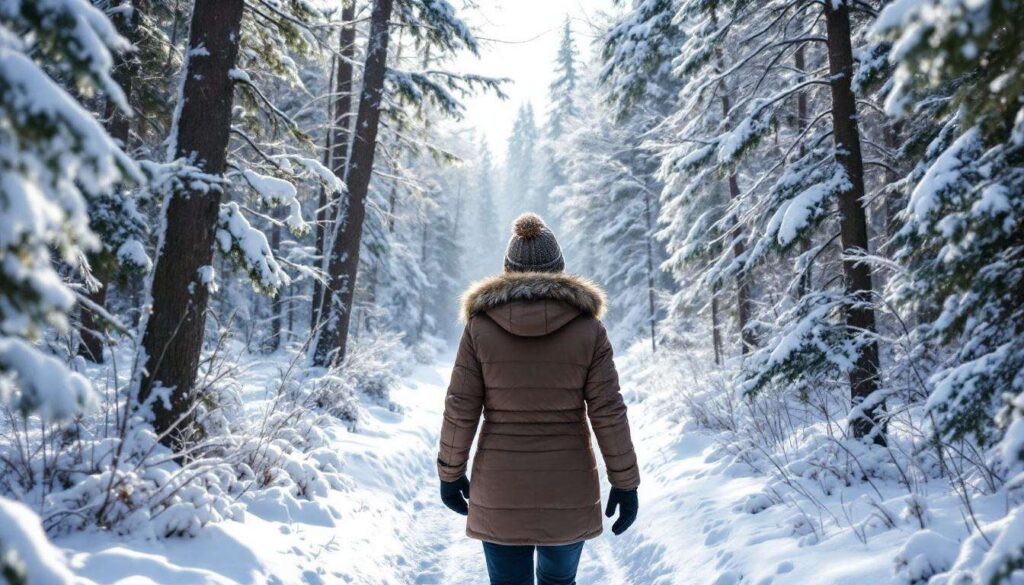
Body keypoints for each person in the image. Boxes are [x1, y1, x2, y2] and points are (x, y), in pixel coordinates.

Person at [436, 213, 640, 585]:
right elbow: (609, 411)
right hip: (569, 487)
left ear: (507, 271)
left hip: (500, 485)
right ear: (560, 269)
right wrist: (625, 482)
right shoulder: (588, 329)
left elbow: (460, 407)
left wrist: (450, 473)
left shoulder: (480, 328)